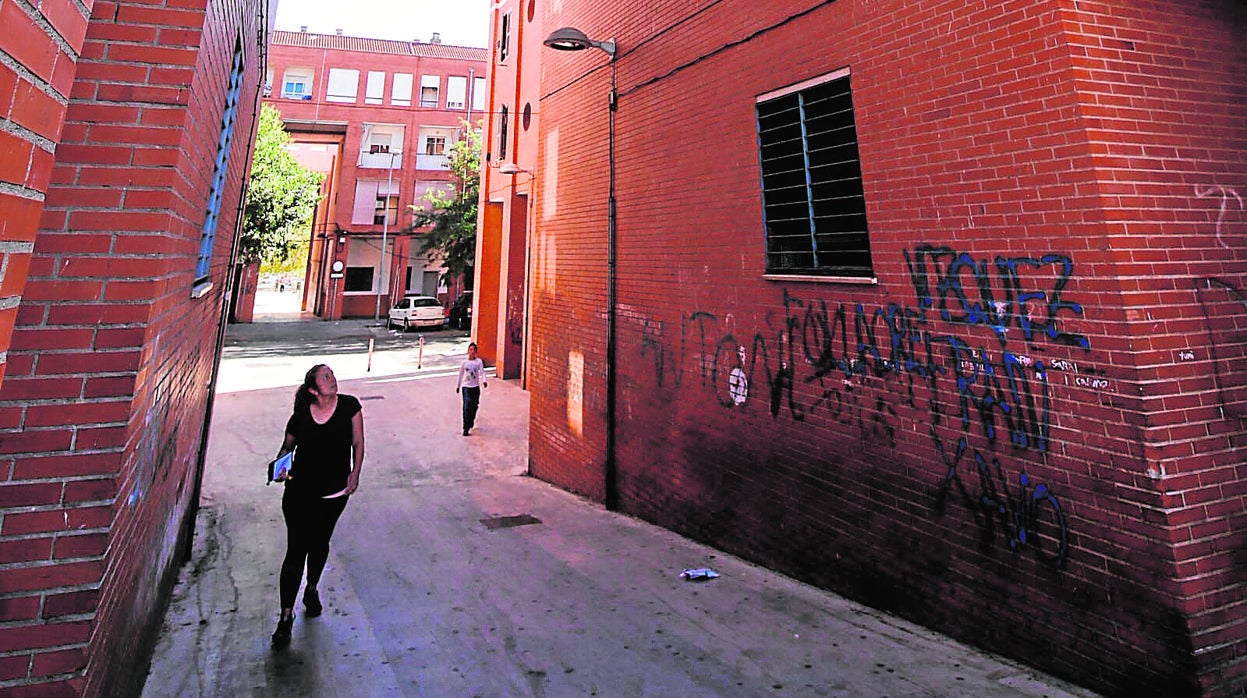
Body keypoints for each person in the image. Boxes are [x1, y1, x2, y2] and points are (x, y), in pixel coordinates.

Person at [269, 364, 364, 648]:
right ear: (313, 389)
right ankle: (286, 617)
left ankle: (311, 588)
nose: (332, 379)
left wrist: (355, 472)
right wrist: (280, 468)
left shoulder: (349, 406)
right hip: (299, 493)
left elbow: (358, 442)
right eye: (325, 377)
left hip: (334, 493)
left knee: (320, 543)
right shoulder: (300, 417)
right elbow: (286, 449)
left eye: (332, 374)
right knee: (296, 550)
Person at [455, 342, 488, 436]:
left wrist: (484, 381)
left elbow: (482, 372)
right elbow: (461, 374)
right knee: (466, 406)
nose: (472, 352)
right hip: (466, 387)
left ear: (476, 352)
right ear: (468, 351)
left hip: (475, 387)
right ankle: (465, 427)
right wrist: (458, 386)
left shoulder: (478, 362)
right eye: (470, 350)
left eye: (474, 350)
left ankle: (471, 421)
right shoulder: (464, 363)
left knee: (474, 406)